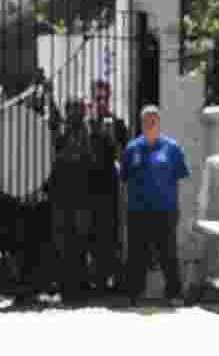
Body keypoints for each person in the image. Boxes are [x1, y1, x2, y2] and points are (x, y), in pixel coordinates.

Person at [120, 105, 190, 306]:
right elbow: (124, 180)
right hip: (137, 211)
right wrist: (125, 209)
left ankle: (174, 294)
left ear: (159, 123)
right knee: (136, 254)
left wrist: (180, 209)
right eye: (146, 121)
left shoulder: (171, 148)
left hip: (165, 210)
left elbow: (180, 180)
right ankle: (134, 294)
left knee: (168, 254)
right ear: (141, 123)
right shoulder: (132, 148)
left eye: (154, 121)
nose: (150, 124)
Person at [85, 80, 130, 293]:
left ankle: (111, 278)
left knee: (111, 233)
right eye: (97, 98)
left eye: (104, 98)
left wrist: (113, 141)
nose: (101, 102)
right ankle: (95, 279)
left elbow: (124, 158)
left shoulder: (118, 124)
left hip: (110, 187)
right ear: (92, 99)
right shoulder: (86, 124)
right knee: (91, 234)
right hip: (89, 187)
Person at [49, 98, 95, 303]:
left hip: (80, 197)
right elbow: (55, 154)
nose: (74, 114)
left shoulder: (85, 133)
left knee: (78, 242)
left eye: (77, 110)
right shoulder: (63, 132)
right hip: (64, 196)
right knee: (65, 242)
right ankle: (67, 287)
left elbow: (84, 158)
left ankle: (78, 287)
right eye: (72, 110)